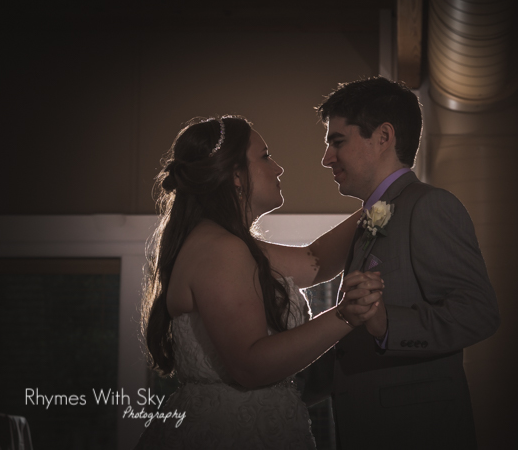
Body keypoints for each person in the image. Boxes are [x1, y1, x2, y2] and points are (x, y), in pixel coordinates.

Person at [136, 115, 384, 449]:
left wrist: (383, 202)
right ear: (236, 175)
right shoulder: (220, 249)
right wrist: (345, 316)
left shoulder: (226, 244)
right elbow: (249, 366)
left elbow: (316, 261)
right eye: (265, 156)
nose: (278, 168)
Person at [317, 77, 500, 449]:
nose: (327, 158)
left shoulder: (430, 205)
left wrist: (388, 324)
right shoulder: (373, 216)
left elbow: (478, 312)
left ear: (383, 137)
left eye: (337, 142)